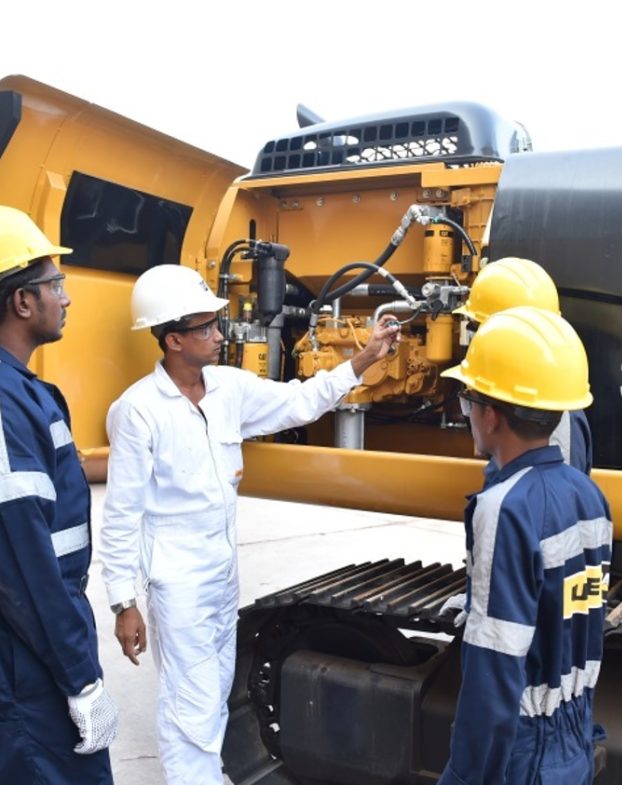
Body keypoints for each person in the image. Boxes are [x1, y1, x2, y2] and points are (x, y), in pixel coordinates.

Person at [99, 263, 400, 784]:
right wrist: (124, 602)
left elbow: (300, 402)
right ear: (173, 339)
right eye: (205, 327)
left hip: (221, 576)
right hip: (178, 586)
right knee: (189, 709)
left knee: (215, 694)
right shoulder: (138, 411)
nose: (220, 335)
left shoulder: (229, 389)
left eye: (216, 323)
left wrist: (365, 358)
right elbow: (121, 514)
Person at [0, 204, 117, 783]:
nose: (66, 297)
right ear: (22, 302)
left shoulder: (9, 386)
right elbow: (20, 564)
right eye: (55, 284)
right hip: (20, 659)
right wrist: (79, 679)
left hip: (35, 644)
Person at [437, 306, 613, 785]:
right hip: (573, 743)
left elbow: (495, 669)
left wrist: (466, 777)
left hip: (524, 757)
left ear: (491, 415)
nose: (466, 414)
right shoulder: (591, 496)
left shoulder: (504, 508)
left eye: (468, 401)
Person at [455, 256, 592, 474]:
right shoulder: (532, 399)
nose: (478, 338)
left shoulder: (549, 414)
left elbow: (547, 493)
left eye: (477, 327)